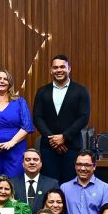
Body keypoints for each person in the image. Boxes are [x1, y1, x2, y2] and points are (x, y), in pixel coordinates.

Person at [32, 54, 91, 183]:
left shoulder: (81, 91)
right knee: (49, 185)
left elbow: (83, 117)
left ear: (69, 69)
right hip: (48, 148)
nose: (59, 70)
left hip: (72, 147)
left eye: (62, 67)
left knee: (71, 185)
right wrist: (53, 139)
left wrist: (64, 137)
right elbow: (37, 117)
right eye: (55, 67)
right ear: (51, 70)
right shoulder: (42, 91)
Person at [60, 150, 108, 214]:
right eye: (79, 164)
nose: (83, 168)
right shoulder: (64, 188)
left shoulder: (105, 188)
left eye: (87, 165)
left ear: (94, 166)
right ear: (75, 166)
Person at [11, 148, 59, 213]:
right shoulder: (12, 183)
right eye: (28, 160)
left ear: (41, 164)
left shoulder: (52, 184)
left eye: (35, 160)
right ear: (23, 164)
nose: (32, 162)